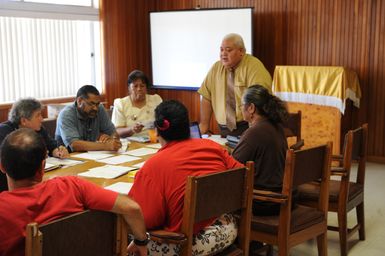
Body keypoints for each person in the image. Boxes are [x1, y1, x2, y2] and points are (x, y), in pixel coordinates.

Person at [0, 128, 148, 256]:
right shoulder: (72, 186)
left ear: (2, 167)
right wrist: (141, 242)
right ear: (43, 166)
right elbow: (131, 208)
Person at [128, 100, 243, 256]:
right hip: (227, 229)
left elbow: (147, 220)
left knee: (125, 235)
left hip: (186, 244)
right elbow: (241, 175)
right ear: (187, 126)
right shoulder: (213, 147)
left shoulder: (153, 166)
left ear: (157, 130)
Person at [198, 33, 272, 137]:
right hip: (224, 130)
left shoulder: (253, 66)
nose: (223, 54)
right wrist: (204, 125)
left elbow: (260, 99)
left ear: (241, 51)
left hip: (248, 128)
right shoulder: (216, 68)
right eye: (221, 50)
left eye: (228, 50)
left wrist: (254, 130)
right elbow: (206, 95)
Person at [232, 85, 289, 216]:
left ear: (251, 108)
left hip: (264, 201)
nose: (241, 109)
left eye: (242, 106)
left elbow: (232, 168)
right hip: (280, 196)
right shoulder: (276, 126)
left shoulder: (254, 132)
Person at [0, 98, 69, 192]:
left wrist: (57, 151)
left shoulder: (38, 128)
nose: (42, 119)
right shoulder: (4, 132)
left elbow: (52, 145)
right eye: (38, 115)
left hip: (39, 176)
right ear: (24, 121)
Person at [55, 85, 122, 152]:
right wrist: (106, 146)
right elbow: (74, 145)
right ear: (79, 101)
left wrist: (112, 140)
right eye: (91, 104)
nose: (95, 108)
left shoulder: (100, 108)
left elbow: (114, 133)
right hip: (68, 157)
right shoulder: (66, 114)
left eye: (97, 104)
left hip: (93, 155)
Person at [112, 70, 162, 137]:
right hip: (131, 143)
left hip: (154, 141)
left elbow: (164, 121)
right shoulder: (121, 104)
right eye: (135, 86)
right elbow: (116, 131)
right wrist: (131, 129)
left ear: (146, 88)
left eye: (142, 86)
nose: (139, 89)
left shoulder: (156, 99)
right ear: (129, 88)